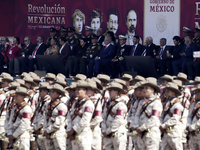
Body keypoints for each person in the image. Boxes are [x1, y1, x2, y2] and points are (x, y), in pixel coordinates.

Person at [136, 77, 162, 150]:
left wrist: (141, 128)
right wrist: (136, 126)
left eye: (146, 88)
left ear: (152, 90)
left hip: (151, 134)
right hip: (141, 134)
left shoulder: (156, 102)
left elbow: (154, 119)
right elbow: (137, 115)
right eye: (143, 88)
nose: (144, 90)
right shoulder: (142, 102)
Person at [67, 80, 94, 149]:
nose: (76, 91)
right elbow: (69, 117)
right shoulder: (75, 104)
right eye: (76, 89)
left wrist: (73, 130)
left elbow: (85, 120)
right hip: (74, 134)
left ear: (85, 91)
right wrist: (69, 130)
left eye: (79, 89)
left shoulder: (88, 103)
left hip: (84, 135)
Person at [102, 82, 127, 150]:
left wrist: (107, 131)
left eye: (111, 90)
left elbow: (118, 120)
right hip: (108, 134)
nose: (109, 92)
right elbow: (103, 117)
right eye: (109, 90)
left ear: (116, 91)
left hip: (117, 134)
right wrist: (104, 130)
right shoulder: (108, 103)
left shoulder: (121, 104)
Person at [160, 82, 184, 150]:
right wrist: (161, 124)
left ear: (174, 93)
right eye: (165, 91)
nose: (166, 93)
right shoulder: (167, 103)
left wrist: (163, 126)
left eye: (168, 91)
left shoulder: (177, 105)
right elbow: (162, 116)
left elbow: (175, 119)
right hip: (166, 133)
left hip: (174, 133)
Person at [43, 83, 67, 150]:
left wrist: (48, 130)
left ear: (58, 94)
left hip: (58, 133)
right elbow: (45, 117)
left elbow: (59, 121)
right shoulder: (48, 104)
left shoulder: (61, 106)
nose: (50, 93)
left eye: (53, 92)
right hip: (48, 132)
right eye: (50, 91)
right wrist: (45, 129)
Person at [32, 82, 51, 150]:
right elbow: (36, 114)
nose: (39, 92)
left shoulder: (48, 102)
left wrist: (38, 127)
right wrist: (34, 126)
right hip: (38, 128)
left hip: (43, 128)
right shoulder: (40, 101)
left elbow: (44, 117)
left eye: (40, 91)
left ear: (46, 91)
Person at [187, 84, 200, 149]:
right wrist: (188, 125)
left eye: (198, 92)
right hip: (193, 134)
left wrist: (191, 127)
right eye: (196, 92)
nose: (196, 94)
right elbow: (189, 116)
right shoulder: (194, 104)